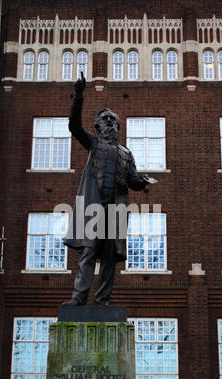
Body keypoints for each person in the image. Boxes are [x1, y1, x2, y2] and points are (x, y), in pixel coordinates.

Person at [63, 72, 156, 306]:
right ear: (97, 125)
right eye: (105, 120)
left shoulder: (126, 153)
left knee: (109, 258)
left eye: (114, 121)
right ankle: (78, 299)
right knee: (88, 253)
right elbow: (74, 126)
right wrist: (79, 95)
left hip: (115, 210)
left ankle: (102, 300)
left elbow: (132, 180)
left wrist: (142, 180)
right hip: (94, 206)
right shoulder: (93, 143)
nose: (110, 124)